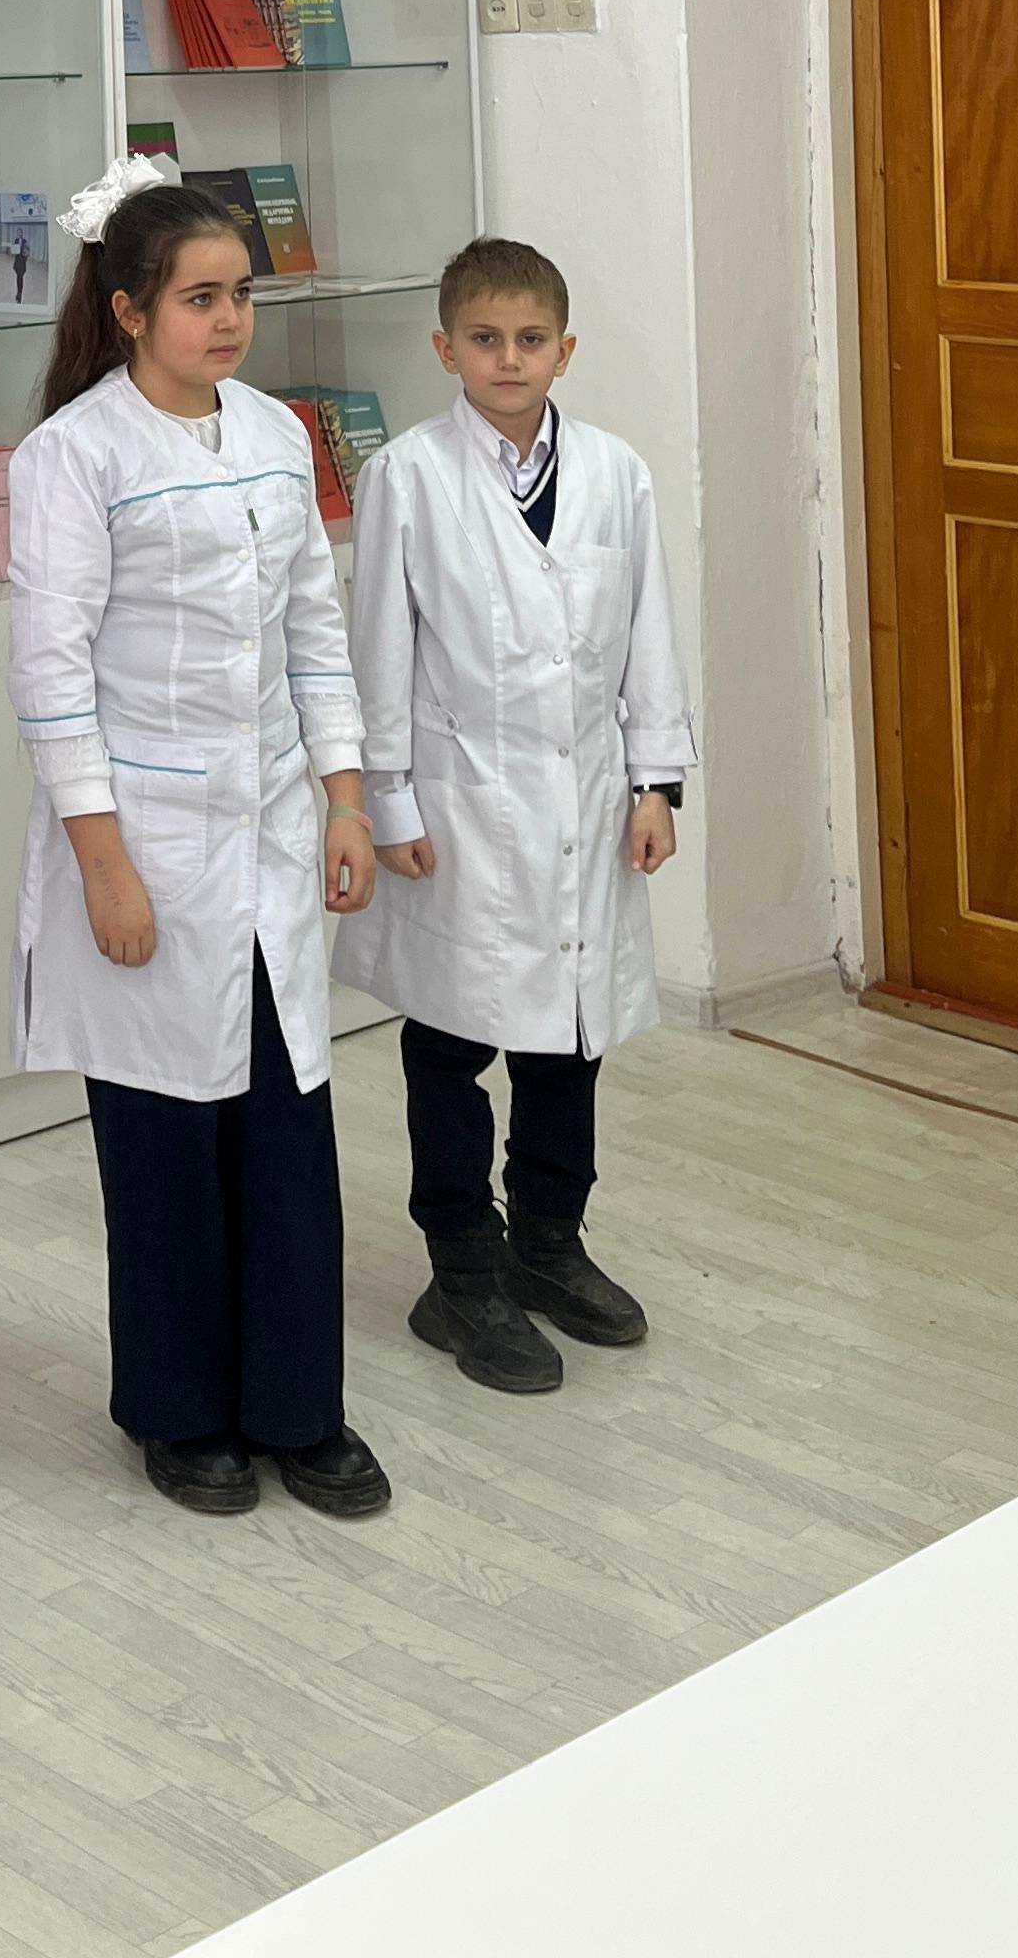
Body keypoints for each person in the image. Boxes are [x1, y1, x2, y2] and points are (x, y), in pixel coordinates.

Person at [6, 161, 391, 1522]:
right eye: (200, 298)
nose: (229, 320)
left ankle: (300, 1409)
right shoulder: (76, 455)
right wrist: (104, 865)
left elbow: (316, 632)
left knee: (286, 1133)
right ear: (128, 309)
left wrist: (346, 797)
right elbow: (51, 677)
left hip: (272, 835)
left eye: (240, 295)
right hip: (148, 845)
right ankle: (180, 1414)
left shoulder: (278, 434)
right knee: (166, 1145)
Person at [340, 235, 696, 1394]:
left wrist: (657, 782)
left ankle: (549, 1242)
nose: (508, 358)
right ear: (445, 348)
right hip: (459, 809)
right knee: (451, 1042)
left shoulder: (615, 473)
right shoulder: (407, 477)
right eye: (484, 339)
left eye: (530, 339)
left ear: (565, 350)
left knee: (569, 1042)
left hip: (587, 801)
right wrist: (387, 798)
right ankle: (460, 1269)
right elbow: (380, 649)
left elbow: (648, 634)